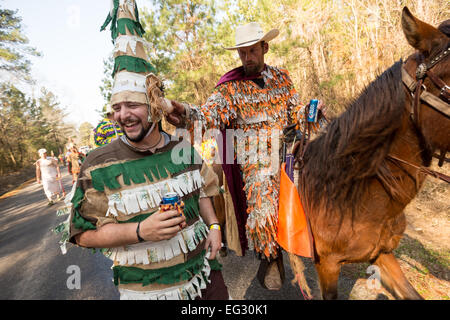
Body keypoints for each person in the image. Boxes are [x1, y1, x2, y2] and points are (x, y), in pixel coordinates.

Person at [61, 0, 229, 300]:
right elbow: (82, 234)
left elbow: (203, 192)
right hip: (148, 292)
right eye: (117, 107)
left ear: (154, 106)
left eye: (133, 105)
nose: (123, 115)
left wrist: (215, 227)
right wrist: (140, 232)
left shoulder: (183, 149)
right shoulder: (98, 164)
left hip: (206, 280)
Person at [165, 22, 328, 290]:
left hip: (287, 149)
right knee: (263, 202)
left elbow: (294, 112)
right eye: (242, 53)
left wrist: (311, 110)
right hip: (255, 160)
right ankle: (271, 256)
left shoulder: (282, 78)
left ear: (265, 47)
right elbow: (208, 114)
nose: (247, 58)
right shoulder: (230, 89)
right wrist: (185, 113)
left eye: (252, 51)